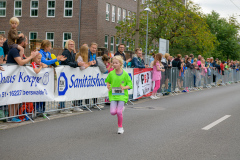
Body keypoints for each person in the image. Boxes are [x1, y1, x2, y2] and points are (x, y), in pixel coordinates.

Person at [6, 37, 38, 123]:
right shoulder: (14, 50)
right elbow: (20, 62)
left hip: (17, 77)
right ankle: (10, 116)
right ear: (23, 42)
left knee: (16, 96)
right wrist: (31, 56)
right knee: (12, 97)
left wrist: (30, 57)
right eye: (26, 42)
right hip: (11, 76)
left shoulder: (19, 51)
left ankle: (14, 115)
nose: (27, 44)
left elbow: (23, 60)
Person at [105, 55, 133, 134]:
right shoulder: (111, 73)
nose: (114, 64)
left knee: (119, 112)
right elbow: (108, 81)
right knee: (113, 112)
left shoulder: (125, 74)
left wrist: (124, 87)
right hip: (113, 95)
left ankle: (120, 127)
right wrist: (108, 85)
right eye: (113, 63)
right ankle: (120, 109)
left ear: (120, 64)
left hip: (122, 96)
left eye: (116, 63)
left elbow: (130, 85)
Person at [88, 42, 104, 109]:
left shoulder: (94, 54)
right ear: (90, 47)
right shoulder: (88, 53)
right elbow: (88, 62)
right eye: (93, 48)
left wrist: (93, 63)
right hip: (87, 73)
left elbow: (96, 63)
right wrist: (92, 63)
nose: (94, 49)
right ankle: (87, 104)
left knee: (94, 88)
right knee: (88, 89)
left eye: (95, 48)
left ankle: (95, 103)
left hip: (93, 73)